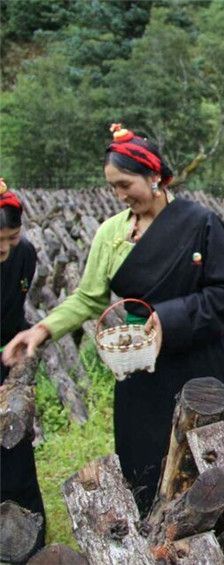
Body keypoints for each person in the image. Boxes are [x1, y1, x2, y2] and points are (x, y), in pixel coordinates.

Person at [2, 125, 224, 515]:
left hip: (201, 361)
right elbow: (88, 297)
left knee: (209, 456)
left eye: (125, 184)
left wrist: (166, 319)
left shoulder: (201, 223)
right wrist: (42, 329)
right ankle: (157, 532)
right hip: (139, 365)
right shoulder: (111, 233)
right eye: (112, 187)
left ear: (154, 176)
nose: (119, 194)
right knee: (147, 458)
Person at [0, 178, 46, 551]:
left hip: (5, 361)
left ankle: (22, 543)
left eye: (11, 237)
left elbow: (15, 313)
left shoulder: (24, 254)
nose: (4, 248)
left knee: (12, 447)